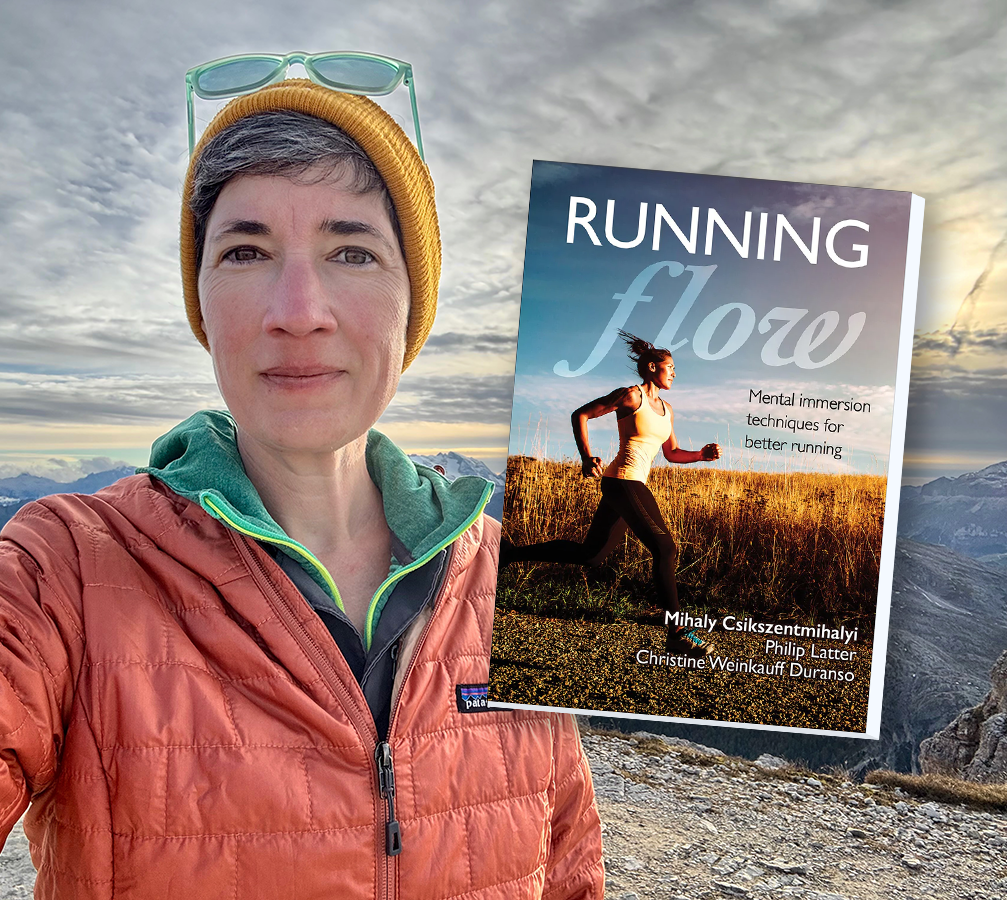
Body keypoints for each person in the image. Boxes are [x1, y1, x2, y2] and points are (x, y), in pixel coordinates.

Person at [0, 61, 603, 899]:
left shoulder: (510, 577)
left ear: (410, 306)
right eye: (246, 251)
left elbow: (565, 867)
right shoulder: (64, 564)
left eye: (351, 250)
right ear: (203, 304)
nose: (297, 308)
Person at [501, 330, 720, 657]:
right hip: (622, 481)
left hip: (634, 484)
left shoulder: (667, 409)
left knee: (591, 555)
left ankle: (508, 554)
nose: (674, 372)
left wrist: (700, 455)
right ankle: (676, 632)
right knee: (665, 547)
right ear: (650, 368)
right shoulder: (631, 396)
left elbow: (672, 454)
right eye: (669, 367)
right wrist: (587, 456)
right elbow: (582, 415)